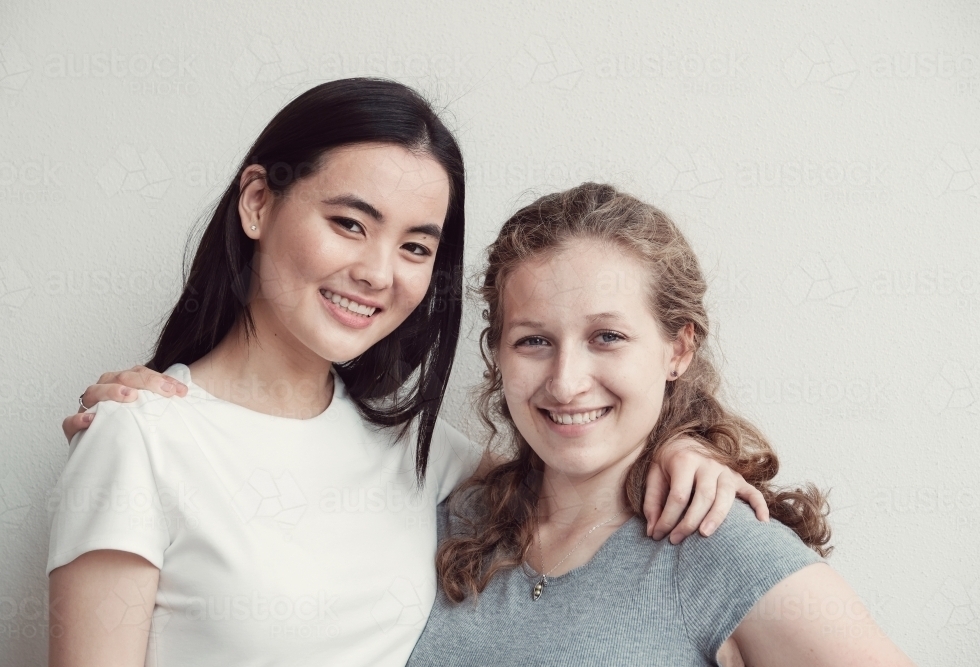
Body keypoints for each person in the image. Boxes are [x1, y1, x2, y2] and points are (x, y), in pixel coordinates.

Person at [48, 80, 767, 667]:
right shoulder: (137, 439)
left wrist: (683, 442)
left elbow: (580, 465)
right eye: (350, 223)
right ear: (258, 202)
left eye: (416, 246)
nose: (377, 272)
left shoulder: (421, 456)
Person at [405, 183, 917, 666]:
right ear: (497, 354)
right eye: (533, 341)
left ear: (678, 349)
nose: (565, 383)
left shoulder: (719, 542)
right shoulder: (452, 518)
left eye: (607, 337)